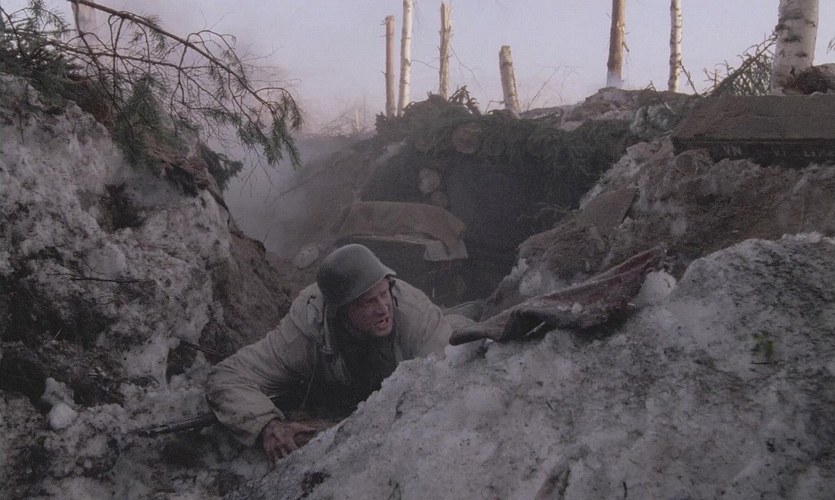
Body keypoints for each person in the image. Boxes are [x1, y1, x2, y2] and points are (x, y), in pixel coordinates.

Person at [206, 243, 466, 465]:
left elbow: (446, 390)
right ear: (341, 311)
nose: (382, 308)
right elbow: (228, 377)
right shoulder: (305, 331)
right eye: (368, 301)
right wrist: (268, 426)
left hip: (430, 347)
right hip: (354, 391)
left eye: (384, 293)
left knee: (464, 331)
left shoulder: (416, 316)